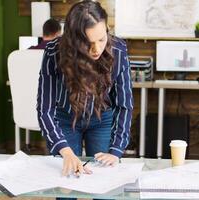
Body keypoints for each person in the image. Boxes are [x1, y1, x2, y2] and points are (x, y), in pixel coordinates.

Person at [37, 0, 133, 180]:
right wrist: (65, 151)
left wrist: (116, 150)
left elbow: (124, 105)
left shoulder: (119, 51)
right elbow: (45, 109)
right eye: (88, 43)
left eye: (102, 39)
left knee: (103, 184)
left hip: (101, 120)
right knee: (67, 183)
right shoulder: (53, 52)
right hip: (65, 118)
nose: (96, 49)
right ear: (74, 41)